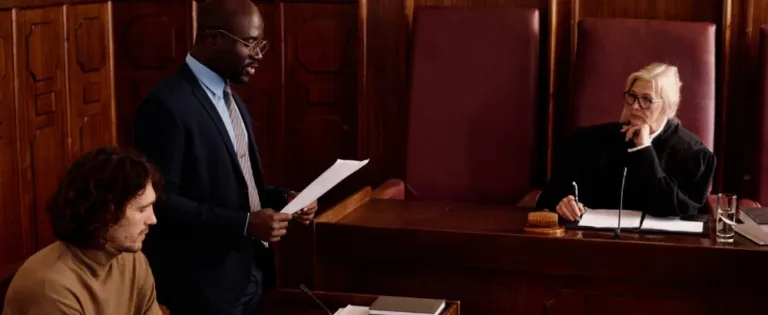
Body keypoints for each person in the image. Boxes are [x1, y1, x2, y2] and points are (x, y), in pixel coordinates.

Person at [132, 0, 318, 314]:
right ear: (212, 39)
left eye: (261, 43)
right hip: (204, 288)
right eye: (250, 43)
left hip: (252, 271)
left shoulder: (232, 99)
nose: (259, 53)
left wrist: (286, 198)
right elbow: (160, 201)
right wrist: (245, 224)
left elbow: (236, 183)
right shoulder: (166, 105)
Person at [536, 62, 716, 221]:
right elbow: (549, 197)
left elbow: (670, 207)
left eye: (646, 100)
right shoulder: (586, 141)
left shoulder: (695, 156)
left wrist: (644, 149)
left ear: (667, 107)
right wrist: (562, 203)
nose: (635, 106)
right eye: (632, 96)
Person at [2, 147, 162, 315]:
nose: (153, 219)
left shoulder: (133, 260)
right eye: (142, 209)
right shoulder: (52, 289)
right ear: (105, 213)